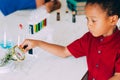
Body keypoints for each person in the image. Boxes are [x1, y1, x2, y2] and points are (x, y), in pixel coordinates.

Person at [20, 0, 120, 80]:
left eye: (93, 20)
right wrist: (37, 43)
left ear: (113, 20)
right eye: (87, 19)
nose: (89, 24)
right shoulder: (89, 38)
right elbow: (64, 51)